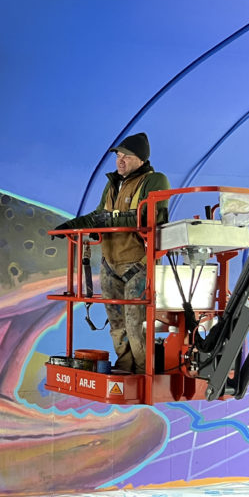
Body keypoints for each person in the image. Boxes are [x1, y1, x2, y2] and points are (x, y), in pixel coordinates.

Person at [53, 133, 169, 373]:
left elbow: (148, 216)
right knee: (116, 323)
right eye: (118, 155)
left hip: (138, 263)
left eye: (126, 156)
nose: (120, 160)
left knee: (136, 324)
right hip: (110, 263)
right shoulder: (112, 184)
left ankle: (144, 371)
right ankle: (125, 367)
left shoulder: (154, 180)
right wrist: (70, 226)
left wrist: (110, 219)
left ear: (141, 159)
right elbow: (98, 215)